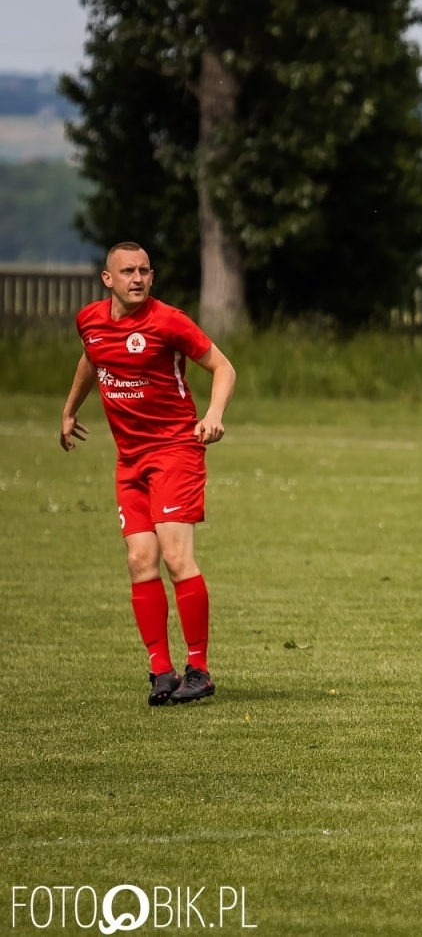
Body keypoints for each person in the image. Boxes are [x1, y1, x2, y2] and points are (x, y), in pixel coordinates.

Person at [60, 242, 237, 705]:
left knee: (176, 558)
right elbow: (91, 358)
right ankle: (161, 670)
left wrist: (214, 414)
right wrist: (69, 410)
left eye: (143, 271)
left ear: (151, 277)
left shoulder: (168, 321)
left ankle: (199, 669)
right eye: (127, 271)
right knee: (141, 560)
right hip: (130, 459)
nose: (136, 278)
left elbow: (223, 367)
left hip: (176, 449)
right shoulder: (91, 321)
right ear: (108, 279)